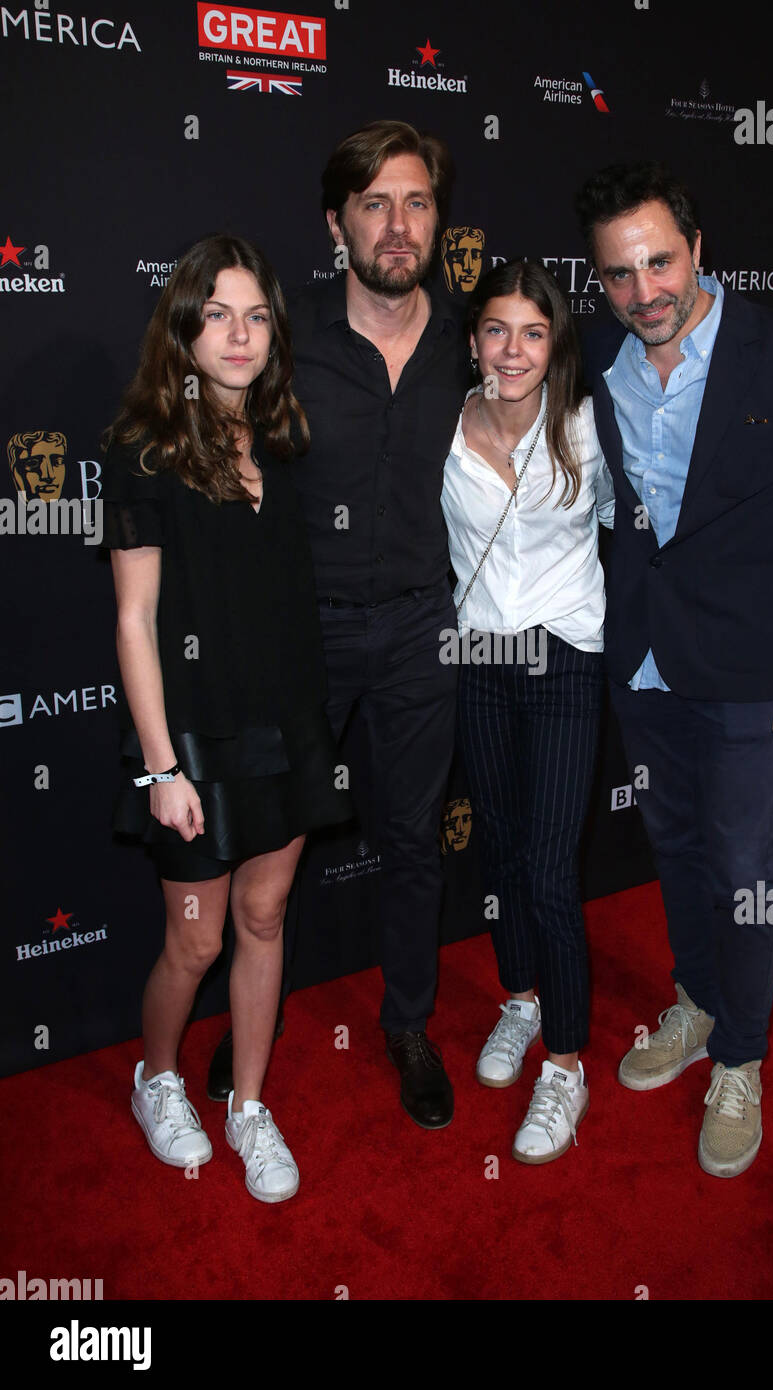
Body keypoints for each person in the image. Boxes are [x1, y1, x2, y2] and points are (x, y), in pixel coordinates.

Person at [575, 163, 773, 1176]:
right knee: (680, 849)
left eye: (659, 261)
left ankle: (741, 1056)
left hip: (751, 666)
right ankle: (698, 1001)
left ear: (696, 248)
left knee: (745, 873)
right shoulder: (598, 361)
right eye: (619, 273)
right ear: (599, 282)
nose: (644, 289)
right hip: (645, 660)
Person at [206, 120, 471, 1129]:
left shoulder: (473, 342)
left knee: (411, 842)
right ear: (336, 222)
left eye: (416, 202)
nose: (397, 225)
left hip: (421, 630)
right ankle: (250, 1012)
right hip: (300, 634)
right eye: (374, 204)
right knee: (271, 845)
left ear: (437, 220)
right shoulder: (286, 335)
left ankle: (407, 1022)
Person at [103, 234, 350, 1203]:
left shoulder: (283, 438)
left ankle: (248, 1104)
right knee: (195, 941)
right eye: (218, 314)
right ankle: (157, 1077)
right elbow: (132, 618)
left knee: (264, 912)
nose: (239, 334)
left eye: (256, 315)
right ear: (184, 327)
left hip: (286, 720)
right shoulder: (144, 446)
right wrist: (161, 768)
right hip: (193, 733)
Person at [441, 259, 614, 1163]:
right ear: (473, 342)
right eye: (497, 331)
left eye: (532, 332)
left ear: (555, 346)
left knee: (548, 867)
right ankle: (521, 998)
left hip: (561, 657)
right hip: (478, 656)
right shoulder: (444, 425)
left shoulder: (588, 425)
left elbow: (640, 526)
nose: (513, 350)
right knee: (502, 852)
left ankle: (567, 1064)